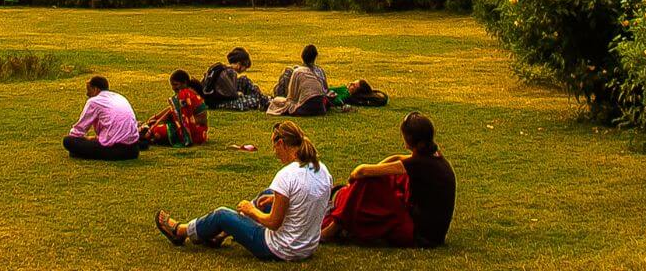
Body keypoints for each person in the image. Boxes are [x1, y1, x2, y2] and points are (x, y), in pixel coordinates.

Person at [156, 121, 333, 261]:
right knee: (267, 195)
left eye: (274, 147)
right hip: (307, 246)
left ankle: (180, 231)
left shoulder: (287, 175)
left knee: (221, 214)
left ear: (281, 143)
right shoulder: (322, 169)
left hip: (281, 248)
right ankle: (220, 234)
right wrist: (274, 200)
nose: (275, 153)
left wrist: (251, 210)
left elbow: (273, 223)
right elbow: (310, 196)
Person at [322, 112, 456, 249]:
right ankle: (344, 215)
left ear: (408, 139)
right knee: (388, 179)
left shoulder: (418, 164)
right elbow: (397, 158)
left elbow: (362, 171)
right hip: (432, 234)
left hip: (419, 235)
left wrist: (354, 177)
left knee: (368, 182)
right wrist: (378, 167)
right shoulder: (433, 156)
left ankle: (334, 227)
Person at [63, 75, 141, 160]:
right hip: (133, 149)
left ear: (95, 89)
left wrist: (74, 139)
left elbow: (80, 129)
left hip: (114, 150)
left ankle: (80, 152)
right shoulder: (119, 97)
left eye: (89, 90)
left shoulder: (94, 101)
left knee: (68, 141)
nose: (87, 94)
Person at [142, 70, 209, 147]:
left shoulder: (187, 94)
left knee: (158, 130)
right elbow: (171, 110)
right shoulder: (186, 94)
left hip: (195, 131)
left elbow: (171, 113)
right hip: (197, 130)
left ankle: (151, 137)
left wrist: (153, 125)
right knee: (157, 128)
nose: (173, 88)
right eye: (172, 85)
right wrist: (155, 118)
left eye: (175, 84)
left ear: (184, 83)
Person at [203, 47, 269, 111]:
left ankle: (263, 98)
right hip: (219, 102)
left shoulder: (222, 69)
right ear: (239, 64)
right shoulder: (231, 73)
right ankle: (265, 100)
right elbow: (233, 96)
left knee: (244, 80)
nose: (245, 70)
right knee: (255, 100)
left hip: (215, 98)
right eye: (245, 67)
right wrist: (239, 94)